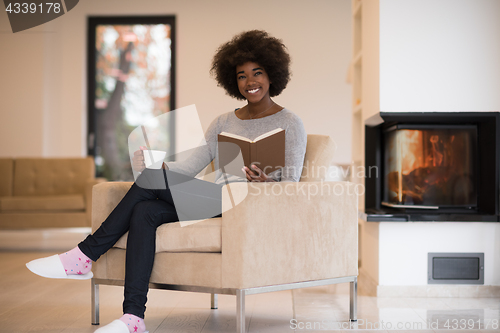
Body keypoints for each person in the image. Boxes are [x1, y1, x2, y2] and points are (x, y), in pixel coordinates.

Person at [26, 30, 307, 333]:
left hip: (250, 206)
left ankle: (85, 255)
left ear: (272, 74)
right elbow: (189, 166)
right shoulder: (224, 122)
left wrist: (265, 181)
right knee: (144, 212)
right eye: (242, 75)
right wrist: (157, 166)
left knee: (149, 187)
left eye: (258, 73)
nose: (250, 82)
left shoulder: (290, 123)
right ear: (233, 81)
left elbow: (290, 185)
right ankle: (133, 318)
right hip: (216, 197)